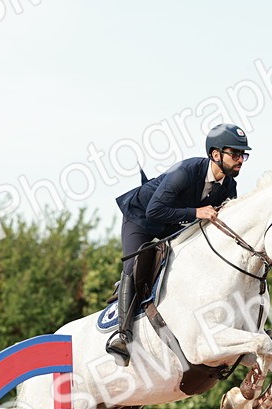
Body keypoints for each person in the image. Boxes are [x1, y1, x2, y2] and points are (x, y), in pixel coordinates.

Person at [105, 123, 252, 364]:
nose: (240, 160)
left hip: (174, 223)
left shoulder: (229, 186)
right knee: (133, 270)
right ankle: (122, 334)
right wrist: (196, 213)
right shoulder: (186, 171)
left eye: (243, 155)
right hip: (141, 218)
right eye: (235, 154)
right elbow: (155, 211)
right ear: (216, 155)